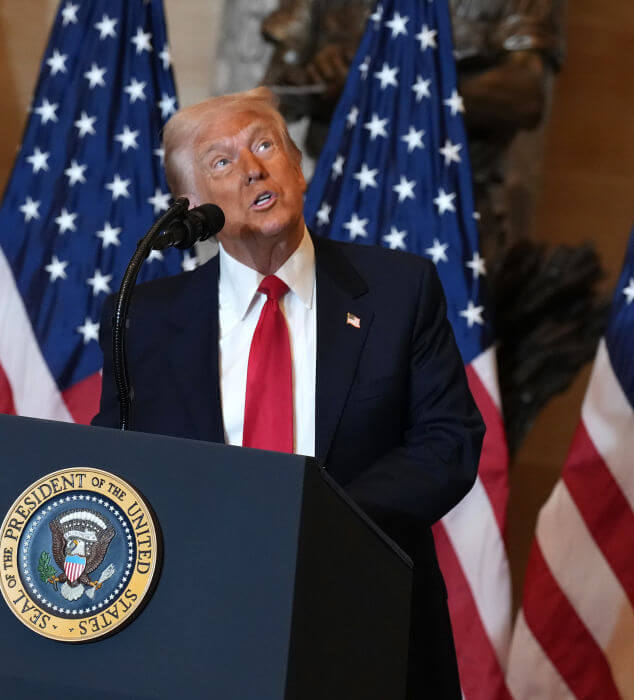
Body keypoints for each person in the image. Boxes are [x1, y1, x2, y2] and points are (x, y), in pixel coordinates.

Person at [91, 87, 485, 698]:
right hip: (197, 629)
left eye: (265, 145)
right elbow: (115, 463)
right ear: (193, 205)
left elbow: (448, 441)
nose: (252, 168)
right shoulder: (141, 316)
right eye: (222, 161)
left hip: (362, 617)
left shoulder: (396, 290)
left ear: (296, 166)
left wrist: (321, 526)